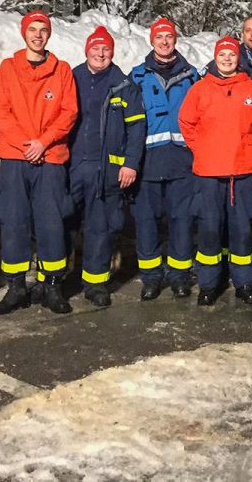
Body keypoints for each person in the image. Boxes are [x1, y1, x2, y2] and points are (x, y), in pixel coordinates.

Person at [0, 10, 79, 316]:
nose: (38, 35)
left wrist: (44, 141)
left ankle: (51, 285)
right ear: (24, 33)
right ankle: (16, 288)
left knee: (51, 223)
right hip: (16, 157)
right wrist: (25, 143)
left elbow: (68, 112)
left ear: (49, 34)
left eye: (43, 30)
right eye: (33, 29)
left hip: (50, 157)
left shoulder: (62, 69)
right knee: (14, 222)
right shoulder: (8, 68)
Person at [178, 35, 252, 305]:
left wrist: (251, 146)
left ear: (237, 58)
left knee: (241, 231)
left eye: (231, 55)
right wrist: (201, 148)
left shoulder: (250, 88)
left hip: (242, 171)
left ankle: (244, 283)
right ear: (215, 59)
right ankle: (208, 284)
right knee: (209, 230)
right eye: (222, 55)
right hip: (209, 173)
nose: (227, 59)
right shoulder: (200, 89)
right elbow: (186, 122)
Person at [67, 26, 146, 308]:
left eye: (106, 49)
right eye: (96, 48)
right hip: (71, 166)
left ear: (112, 53)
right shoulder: (71, 78)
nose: (100, 53)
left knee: (100, 228)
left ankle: (95, 282)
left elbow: (137, 128)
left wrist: (130, 164)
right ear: (86, 49)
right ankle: (57, 279)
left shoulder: (123, 84)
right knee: (64, 223)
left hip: (106, 171)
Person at [129, 17, 200, 300]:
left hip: (183, 163)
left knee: (181, 221)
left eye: (169, 36)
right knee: (147, 223)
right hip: (148, 163)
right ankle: (151, 278)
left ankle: (180, 276)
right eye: (159, 37)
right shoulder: (136, 76)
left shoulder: (193, 76)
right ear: (151, 40)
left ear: (175, 40)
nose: (164, 41)